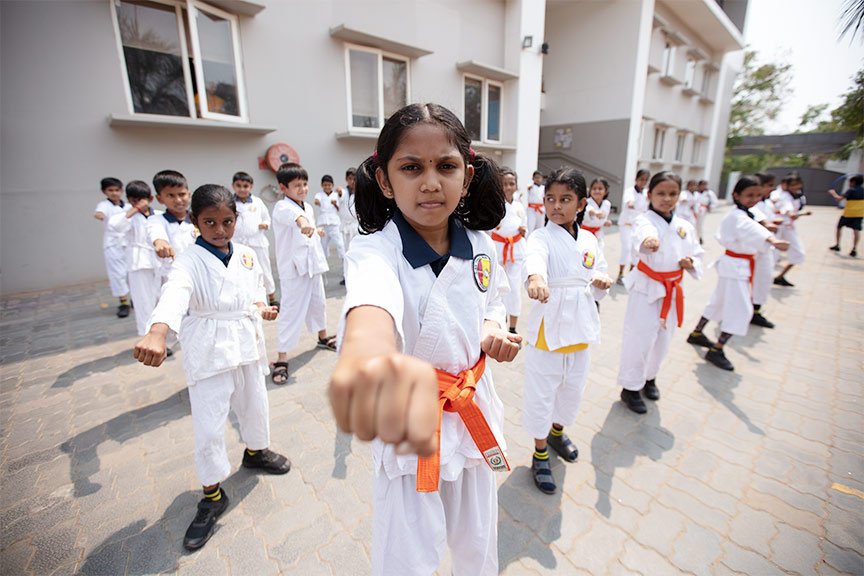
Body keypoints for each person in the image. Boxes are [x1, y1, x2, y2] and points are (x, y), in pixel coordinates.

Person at [329, 103, 521, 576]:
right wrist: (364, 352)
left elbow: (491, 300)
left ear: (468, 174)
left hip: (472, 410)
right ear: (386, 180)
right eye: (412, 167)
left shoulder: (480, 243)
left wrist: (493, 329)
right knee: (408, 557)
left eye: (446, 166)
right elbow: (372, 306)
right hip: (412, 422)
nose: (431, 182)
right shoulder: (374, 250)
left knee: (477, 544)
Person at [133, 184, 291, 551]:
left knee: (255, 404)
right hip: (209, 350)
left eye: (227, 221)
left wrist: (260, 308)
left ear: (237, 220)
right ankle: (212, 494)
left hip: (246, 343)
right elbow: (174, 293)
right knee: (209, 424)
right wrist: (158, 332)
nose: (220, 230)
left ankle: (255, 452)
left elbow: (251, 294)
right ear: (194, 221)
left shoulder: (247, 255)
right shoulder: (188, 260)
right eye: (210, 222)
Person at [523, 168, 612, 494]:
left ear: (582, 203)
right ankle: (540, 451)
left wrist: (603, 280)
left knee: (572, 388)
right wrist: (536, 278)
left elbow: (599, 271)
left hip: (581, 325)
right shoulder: (541, 237)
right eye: (550, 199)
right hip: (551, 325)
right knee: (542, 392)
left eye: (565, 199)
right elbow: (534, 260)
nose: (556, 206)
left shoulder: (589, 239)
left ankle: (557, 433)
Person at [616, 172, 704, 414]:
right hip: (646, 289)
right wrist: (648, 243)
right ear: (650, 195)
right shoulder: (644, 221)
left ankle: (650, 377)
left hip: (672, 290)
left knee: (663, 340)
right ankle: (630, 387)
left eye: (673, 194)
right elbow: (642, 237)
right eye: (661, 193)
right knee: (639, 338)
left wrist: (691, 262)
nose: (667, 199)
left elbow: (698, 253)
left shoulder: (685, 225)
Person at [686, 176, 790, 371]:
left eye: (757, 195)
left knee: (718, 302)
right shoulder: (737, 216)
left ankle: (697, 333)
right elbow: (751, 228)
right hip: (736, 267)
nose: (754, 199)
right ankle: (717, 349)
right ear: (736, 195)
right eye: (749, 195)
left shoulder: (747, 212)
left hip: (737, 265)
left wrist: (767, 225)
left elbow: (758, 219)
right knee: (742, 310)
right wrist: (773, 240)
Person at [270, 162, 336, 384]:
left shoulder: (306, 207)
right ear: (283, 187)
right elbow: (294, 218)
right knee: (291, 310)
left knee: (319, 302)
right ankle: (282, 357)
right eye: (297, 185)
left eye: (305, 184)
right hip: (293, 270)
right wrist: (303, 223)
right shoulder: (282, 207)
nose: (303, 188)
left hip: (312, 265)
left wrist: (313, 229)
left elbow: (305, 224)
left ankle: (322, 336)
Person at [107, 180, 161, 337]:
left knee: (161, 300)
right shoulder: (127, 217)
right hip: (139, 264)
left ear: (150, 199)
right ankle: (149, 336)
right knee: (144, 302)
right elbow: (114, 226)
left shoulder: (158, 215)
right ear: (130, 200)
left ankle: (165, 336)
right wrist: (135, 209)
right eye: (134, 200)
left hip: (159, 263)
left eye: (142, 199)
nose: (139, 203)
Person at [232, 171, 278, 306]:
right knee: (239, 271)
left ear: (251, 187)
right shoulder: (230, 203)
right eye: (238, 185)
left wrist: (266, 224)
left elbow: (267, 218)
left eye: (245, 186)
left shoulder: (257, 202)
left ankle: (272, 297)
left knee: (264, 270)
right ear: (233, 186)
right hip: (237, 243)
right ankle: (245, 300)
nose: (242, 189)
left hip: (257, 243)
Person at [490, 166, 527, 334]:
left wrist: (522, 230)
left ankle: (513, 327)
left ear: (516, 185)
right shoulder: (493, 204)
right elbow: (487, 229)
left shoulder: (519, 206)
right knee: (498, 288)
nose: (507, 187)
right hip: (498, 250)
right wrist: (493, 226)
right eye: (504, 183)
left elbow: (524, 225)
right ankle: (501, 323)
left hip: (516, 251)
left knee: (514, 289)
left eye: (511, 183)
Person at [749, 173, 784, 328]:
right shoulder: (752, 208)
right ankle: (752, 311)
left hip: (764, 249)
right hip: (755, 250)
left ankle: (754, 309)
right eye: (768, 185)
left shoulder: (766, 203)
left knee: (763, 281)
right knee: (757, 282)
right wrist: (768, 231)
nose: (771, 189)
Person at [149, 170, 196, 283]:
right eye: (171, 195)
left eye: (182, 194)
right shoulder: (156, 220)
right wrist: (161, 243)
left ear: (189, 194)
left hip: (198, 273)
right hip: (172, 277)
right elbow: (157, 234)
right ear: (160, 198)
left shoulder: (198, 219)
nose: (178, 200)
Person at [94, 177, 131, 318]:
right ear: (105, 191)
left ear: (121, 191)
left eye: (117, 190)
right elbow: (98, 214)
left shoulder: (128, 207)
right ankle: (123, 302)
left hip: (128, 243)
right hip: (113, 244)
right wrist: (101, 216)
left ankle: (135, 298)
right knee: (118, 274)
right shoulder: (104, 206)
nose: (114, 193)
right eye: (110, 190)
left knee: (132, 272)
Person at [773, 173, 809, 287]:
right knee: (771, 255)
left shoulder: (797, 196)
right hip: (779, 227)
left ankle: (780, 276)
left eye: (797, 185)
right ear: (786, 185)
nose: (796, 187)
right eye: (793, 185)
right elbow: (786, 207)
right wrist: (790, 213)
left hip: (788, 227)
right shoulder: (783, 196)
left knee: (798, 253)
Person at [615, 169, 650, 284]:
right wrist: (635, 205)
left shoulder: (646, 194)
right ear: (636, 179)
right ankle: (620, 274)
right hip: (626, 224)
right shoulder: (630, 191)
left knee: (636, 249)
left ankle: (631, 274)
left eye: (645, 180)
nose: (643, 182)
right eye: (641, 179)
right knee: (626, 248)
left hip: (637, 226)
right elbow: (629, 203)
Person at [828, 174, 863, 258]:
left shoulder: (851, 190)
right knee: (856, 231)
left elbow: (839, 198)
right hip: (859, 214)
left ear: (853, 182)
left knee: (839, 227)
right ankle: (854, 249)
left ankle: (837, 245)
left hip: (848, 213)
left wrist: (833, 193)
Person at [314, 174, 346, 265]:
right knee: (322, 245)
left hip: (334, 223)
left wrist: (335, 204)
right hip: (323, 223)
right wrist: (318, 202)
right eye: (325, 185)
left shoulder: (336, 195)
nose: (327, 187)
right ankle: (322, 264)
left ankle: (344, 261)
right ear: (322, 185)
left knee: (340, 244)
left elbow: (340, 209)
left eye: (329, 185)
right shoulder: (319, 194)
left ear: (332, 185)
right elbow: (316, 201)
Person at [581, 177, 613, 250]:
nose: (597, 191)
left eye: (600, 189)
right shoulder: (586, 202)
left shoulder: (607, 204)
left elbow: (601, 220)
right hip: (585, 234)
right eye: (594, 189)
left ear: (606, 191)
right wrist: (595, 213)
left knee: (598, 255)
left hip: (598, 234)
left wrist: (605, 222)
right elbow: (589, 210)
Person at [525, 170, 546, 235]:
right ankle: (528, 240)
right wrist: (531, 185)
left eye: (539, 177)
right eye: (536, 177)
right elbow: (528, 187)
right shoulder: (530, 186)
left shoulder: (544, 188)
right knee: (530, 225)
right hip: (532, 209)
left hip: (541, 209)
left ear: (542, 178)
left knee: (540, 226)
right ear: (533, 178)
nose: (538, 179)